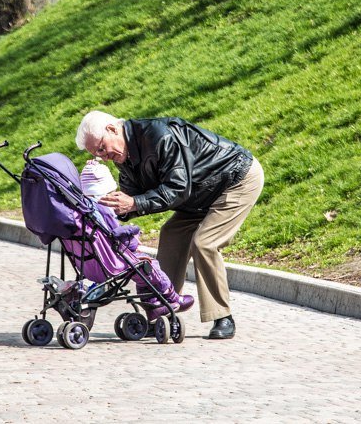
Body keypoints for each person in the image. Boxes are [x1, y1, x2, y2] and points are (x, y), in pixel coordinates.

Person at [75, 111, 264, 340]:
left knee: (204, 243)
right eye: (97, 153)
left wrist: (133, 203)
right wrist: (105, 203)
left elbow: (177, 188)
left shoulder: (159, 136)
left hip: (235, 180)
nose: (103, 156)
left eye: (102, 148)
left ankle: (222, 316)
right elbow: (131, 197)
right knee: (171, 235)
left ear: (113, 129)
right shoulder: (123, 155)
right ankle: (163, 309)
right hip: (197, 196)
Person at [79, 159, 194, 321]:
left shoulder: (85, 211)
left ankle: (153, 306)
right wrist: (133, 236)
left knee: (141, 275)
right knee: (149, 266)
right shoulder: (104, 210)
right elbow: (116, 236)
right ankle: (172, 297)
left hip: (92, 262)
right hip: (114, 259)